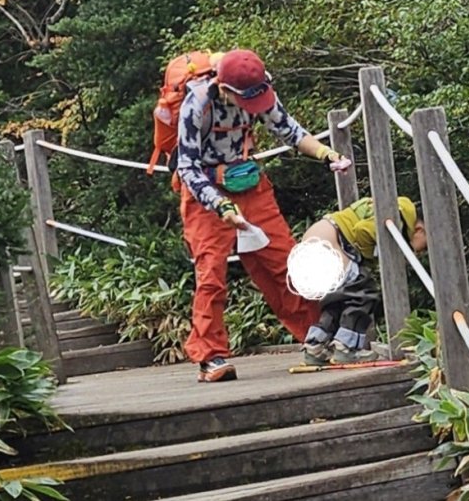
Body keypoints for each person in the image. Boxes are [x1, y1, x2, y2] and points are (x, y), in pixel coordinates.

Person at [176, 48, 348, 382]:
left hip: (249, 183)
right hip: (205, 192)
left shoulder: (261, 90)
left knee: (286, 262)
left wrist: (326, 154)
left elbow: (291, 132)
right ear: (225, 89)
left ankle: (317, 337)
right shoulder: (197, 103)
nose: (253, 107)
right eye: (245, 100)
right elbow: (187, 166)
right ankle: (211, 356)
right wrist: (222, 207)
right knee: (211, 273)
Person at [299, 196, 427, 366]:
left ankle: (315, 346)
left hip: (314, 239)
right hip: (332, 242)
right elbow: (363, 231)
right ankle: (347, 347)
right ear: (419, 230)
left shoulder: (392, 206)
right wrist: (368, 258)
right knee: (364, 294)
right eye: (424, 247)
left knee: (338, 301)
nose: (421, 253)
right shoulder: (399, 217)